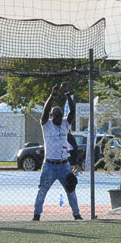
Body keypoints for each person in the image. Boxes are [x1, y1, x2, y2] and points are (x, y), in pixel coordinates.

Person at [33, 83, 81, 221]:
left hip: (64, 165)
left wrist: (67, 93)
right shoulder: (46, 125)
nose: (59, 119)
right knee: (42, 190)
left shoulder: (65, 123)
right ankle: (36, 215)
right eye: (56, 116)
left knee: (71, 190)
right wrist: (52, 95)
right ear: (52, 116)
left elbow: (72, 111)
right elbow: (45, 111)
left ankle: (77, 214)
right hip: (49, 165)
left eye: (60, 116)